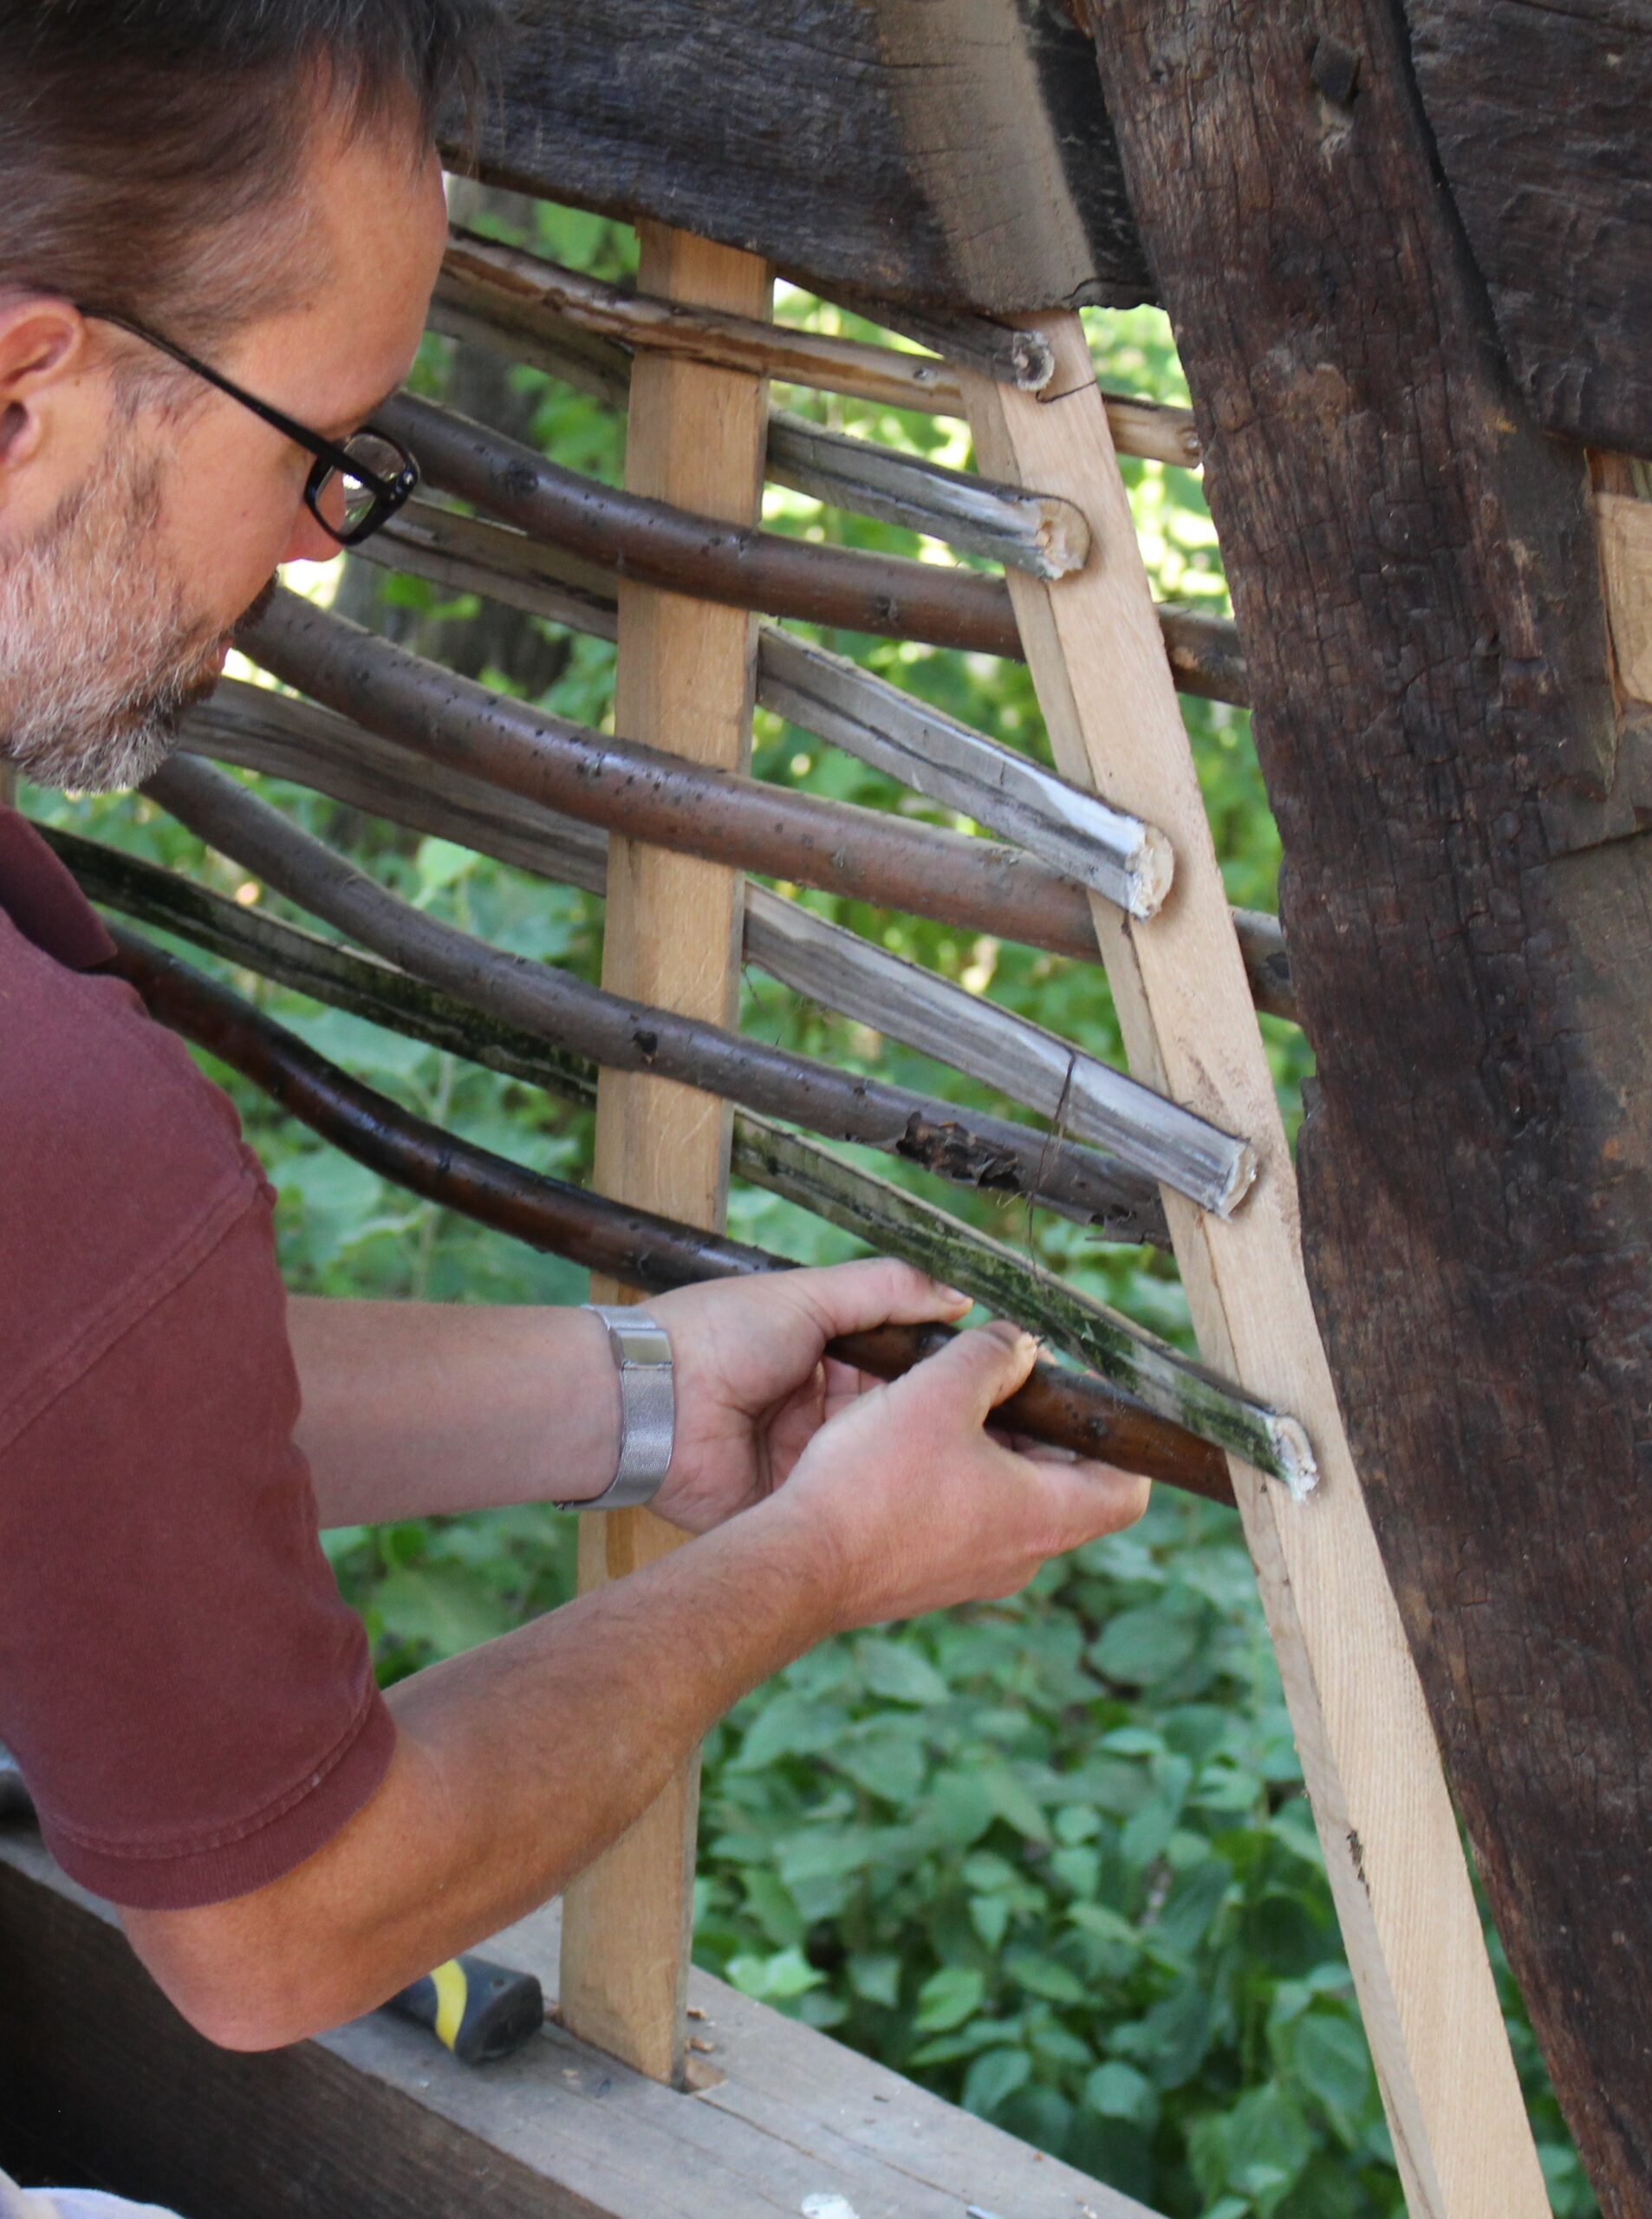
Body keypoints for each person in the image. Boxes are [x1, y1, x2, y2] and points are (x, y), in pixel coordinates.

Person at [0, 0, 1149, 2123]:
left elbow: (59, 1415)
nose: (318, 550)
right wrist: (814, 1561)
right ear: (19, 397)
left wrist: (631, 1397)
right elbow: (289, 1929)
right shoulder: (44, 1121)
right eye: (313, 447)